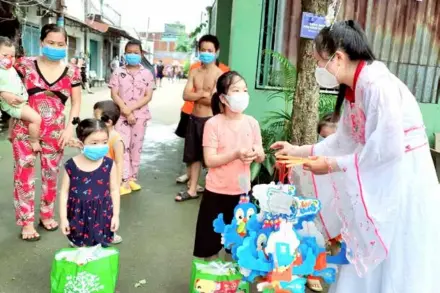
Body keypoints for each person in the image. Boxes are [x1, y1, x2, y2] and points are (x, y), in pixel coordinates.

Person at [271, 20, 440, 293]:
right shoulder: (355, 88)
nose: (317, 69)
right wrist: (297, 150)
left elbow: (385, 150)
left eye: (318, 62)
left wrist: (333, 164)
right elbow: (343, 141)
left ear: (337, 58)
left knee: (399, 254)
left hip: (404, 178)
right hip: (385, 172)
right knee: (370, 252)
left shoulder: (377, 85)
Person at [11, 23, 81, 241]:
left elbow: (77, 103)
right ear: (42, 42)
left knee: (51, 176)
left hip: (56, 134)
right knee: (24, 178)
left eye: (60, 44)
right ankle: (26, 222)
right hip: (24, 129)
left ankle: (46, 214)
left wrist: (70, 128)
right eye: (50, 43)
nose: (55, 47)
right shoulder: (24, 65)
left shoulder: (73, 71)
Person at [193, 71, 264, 259]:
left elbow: (261, 156)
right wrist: (235, 154)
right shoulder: (213, 124)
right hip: (216, 192)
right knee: (210, 244)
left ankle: (231, 285)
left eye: (245, 90)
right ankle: (212, 283)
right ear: (223, 98)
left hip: (242, 194)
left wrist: (256, 153)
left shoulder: (252, 123)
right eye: (236, 90)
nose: (242, 94)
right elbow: (209, 160)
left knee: (238, 247)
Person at [175, 35, 224, 202]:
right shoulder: (194, 71)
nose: (206, 53)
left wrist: (196, 95)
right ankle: (193, 189)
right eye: (203, 50)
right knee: (193, 156)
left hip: (210, 121)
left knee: (210, 158)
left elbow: (213, 101)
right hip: (193, 118)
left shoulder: (220, 75)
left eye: (210, 50)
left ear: (217, 52)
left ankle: (213, 189)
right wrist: (203, 94)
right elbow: (184, 95)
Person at [59, 119, 120, 247]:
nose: (100, 146)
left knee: (100, 248)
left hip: (102, 215)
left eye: (104, 142)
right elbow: (64, 193)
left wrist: (115, 216)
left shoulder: (109, 164)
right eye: (94, 143)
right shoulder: (71, 165)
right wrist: (63, 219)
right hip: (77, 216)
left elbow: (114, 190)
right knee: (79, 249)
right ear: (81, 143)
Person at [109, 40, 154, 196]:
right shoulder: (117, 72)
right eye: (129, 52)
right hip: (121, 116)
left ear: (141, 54)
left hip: (140, 116)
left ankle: (133, 178)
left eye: (136, 52)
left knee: (136, 148)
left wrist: (131, 110)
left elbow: (148, 96)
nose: (133, 55)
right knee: (122, 147)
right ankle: (123, 180)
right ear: (124, 54)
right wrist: (125, 111)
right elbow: (114, 93)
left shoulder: (147, 73)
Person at [0, 37, 42, 152]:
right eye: (5, 55)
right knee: (36, 119)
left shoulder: (9, 68)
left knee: (14, 117)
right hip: (15, 104)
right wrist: (3, 94)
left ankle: (9, 133)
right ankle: (34, 141)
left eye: (12, 56)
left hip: (18, 102)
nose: (9, 59)